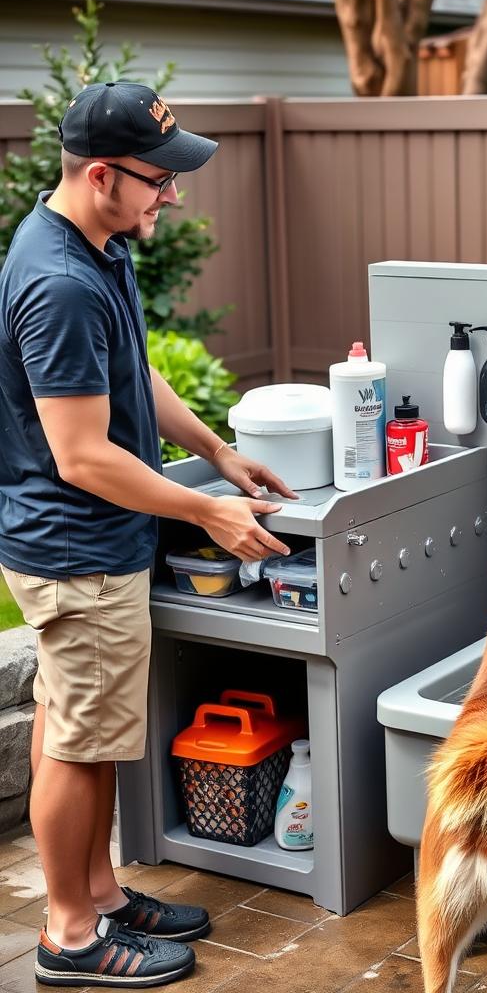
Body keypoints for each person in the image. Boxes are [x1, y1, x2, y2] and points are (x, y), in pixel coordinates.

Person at [0, 80, 297, 988]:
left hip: (93, 545)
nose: (172, 194)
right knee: (80, 750)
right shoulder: (57, 283)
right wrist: (206, 510)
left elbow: (131, 375)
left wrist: (216, 451)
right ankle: (70, 938)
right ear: (101, 175)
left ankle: (98, 891)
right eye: (157, 179)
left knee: (72, 731)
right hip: (77, 549)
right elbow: (84, 454)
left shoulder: (97, 246)